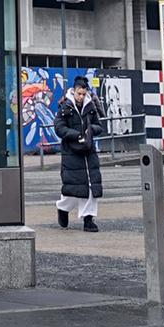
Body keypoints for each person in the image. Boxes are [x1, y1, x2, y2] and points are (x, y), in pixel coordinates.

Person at [54, 77, 104, 232]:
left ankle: (88, 219)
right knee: (73, 187)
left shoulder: (91, 106)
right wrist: (75, 135)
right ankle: (62, 208)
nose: (81, 97)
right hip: (72, 151)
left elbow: (99, 125)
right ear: (73, 91)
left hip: (88, 150)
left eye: (83, 93)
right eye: (79, 93)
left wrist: (91, 130)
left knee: (90, 186)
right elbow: (59, 128)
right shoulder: (65, 107)